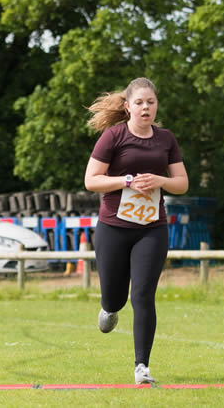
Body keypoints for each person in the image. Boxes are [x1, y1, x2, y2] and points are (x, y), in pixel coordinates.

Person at [83, 77, 188, 384]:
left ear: (156, 107)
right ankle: (109, 307)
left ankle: (142, 367)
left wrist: (161, 181)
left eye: (151, 103)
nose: (146, 108)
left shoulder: (166, 139)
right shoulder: (113, 136)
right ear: (128, 107)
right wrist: (126, 181)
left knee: (143, 293)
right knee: (116, 297)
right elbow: (91, 180)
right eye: (140, 103)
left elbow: (182, 183)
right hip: (113, 227)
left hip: (151, 228)